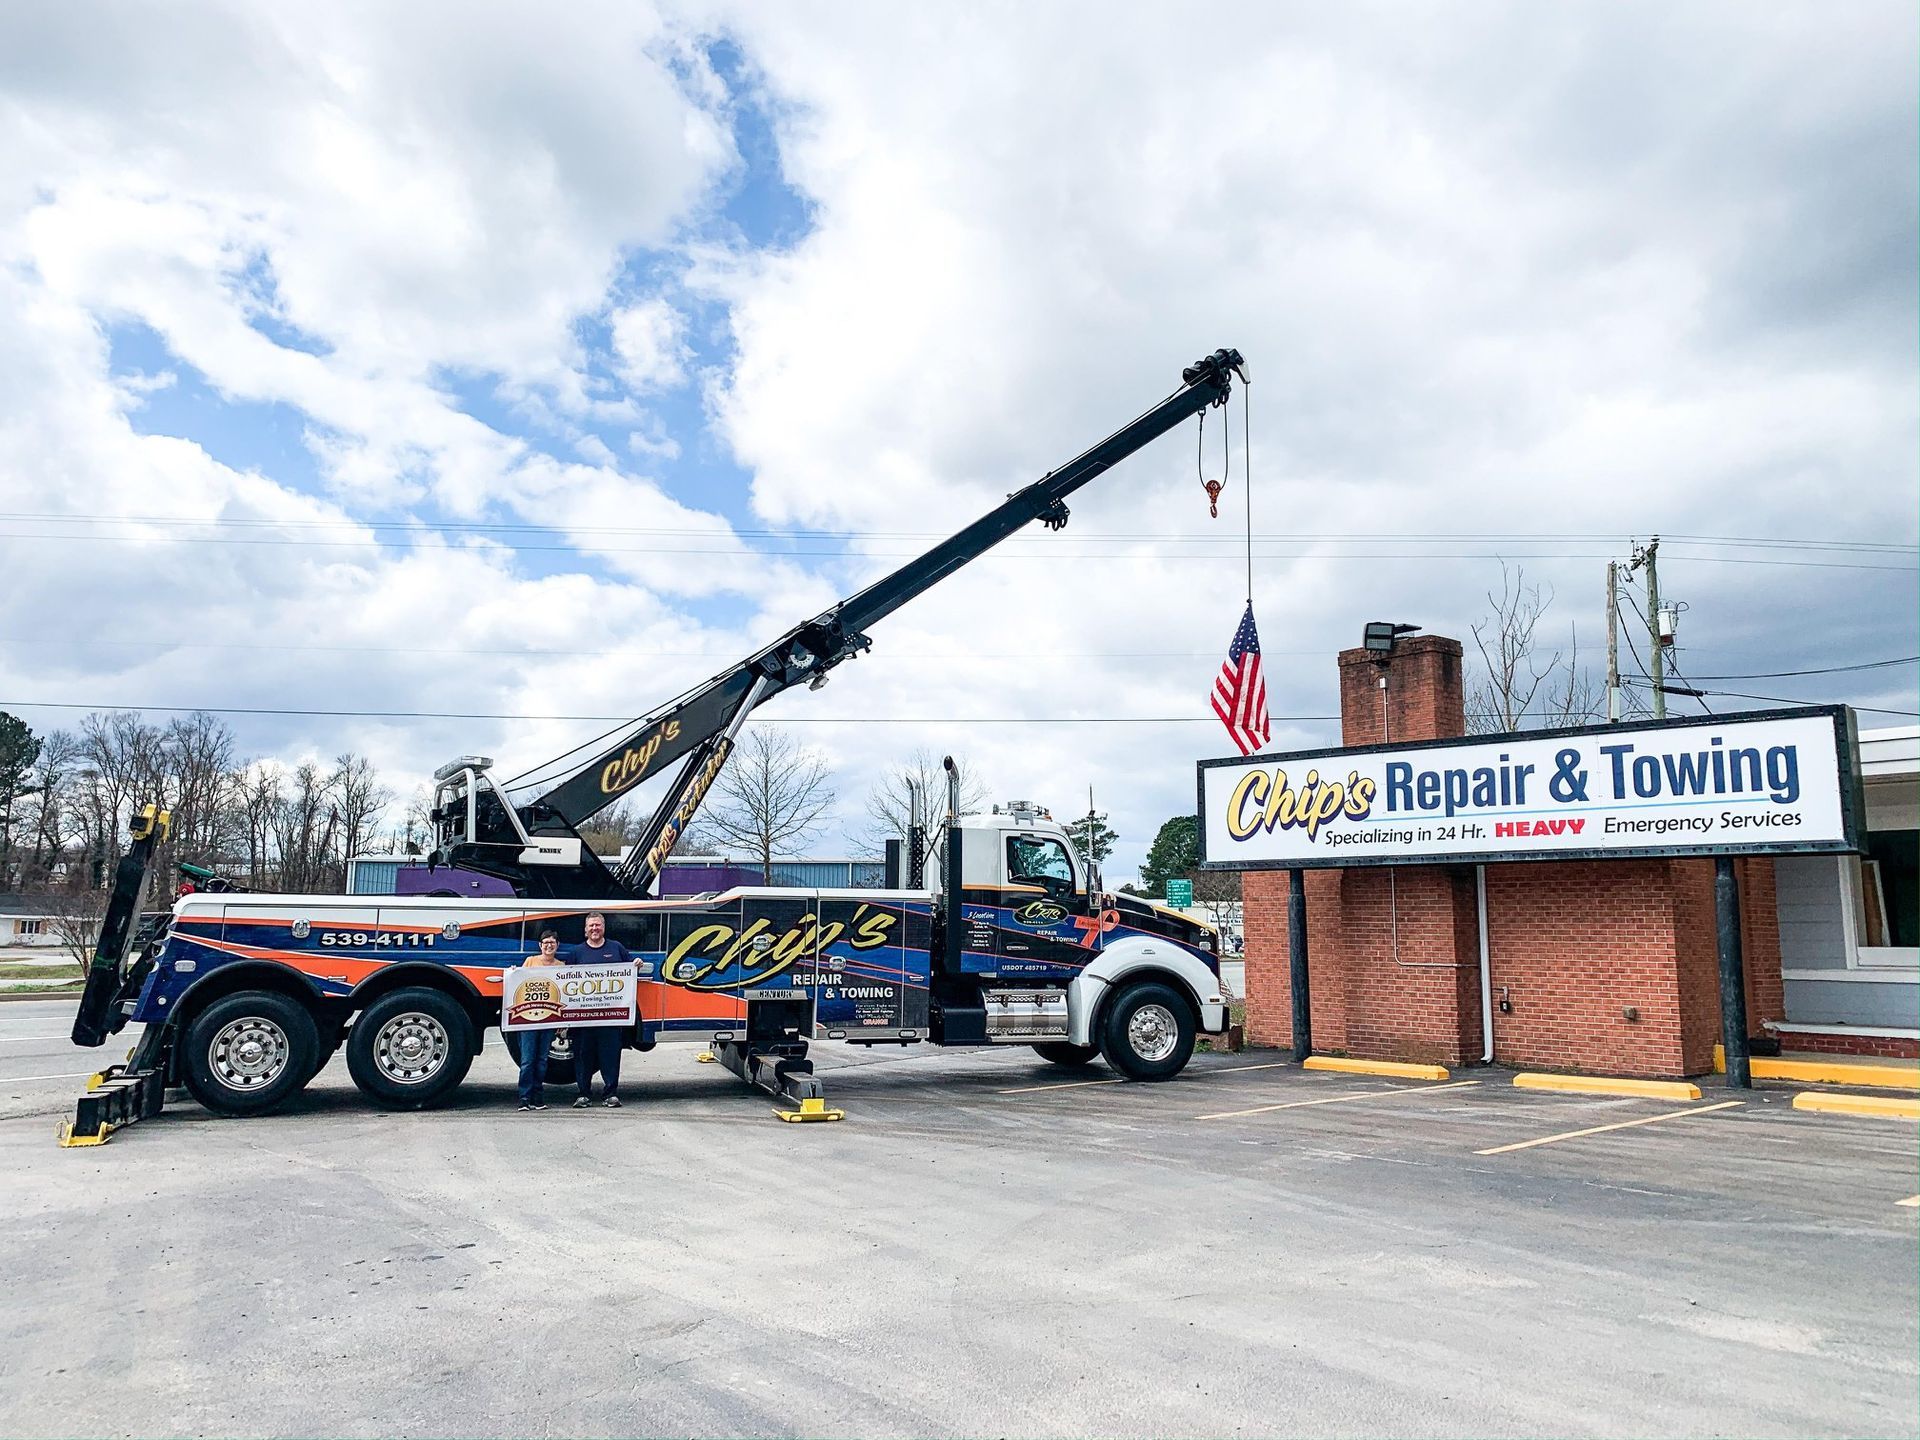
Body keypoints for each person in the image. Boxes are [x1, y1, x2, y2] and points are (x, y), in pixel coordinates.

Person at [566, 910, 633, 1108]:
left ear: (604, 928)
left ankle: (610, 1094)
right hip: (583, 1018)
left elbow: (629, 970)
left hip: (611, 1018)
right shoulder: (576, 953)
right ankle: (583, 1095)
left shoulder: (616, 948)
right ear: (585, 930)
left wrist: (635, 964)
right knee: (583, 1057)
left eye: (598, 925)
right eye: (591, 926)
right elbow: (564, 981)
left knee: (610, 1056)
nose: (595, 929)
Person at [514, 930, 564, 1111]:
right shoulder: (530, 961)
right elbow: (518, 983)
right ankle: (524, 1098)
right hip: (528, 1019)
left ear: (557, 945)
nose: (549, 945)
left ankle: (538, 1097)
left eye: (552, 942)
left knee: (542, 1060)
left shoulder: (561, 966)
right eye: (545, 942)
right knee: (527, 1060)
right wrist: (513, 972)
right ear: (540, 945)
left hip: (549, 1020)